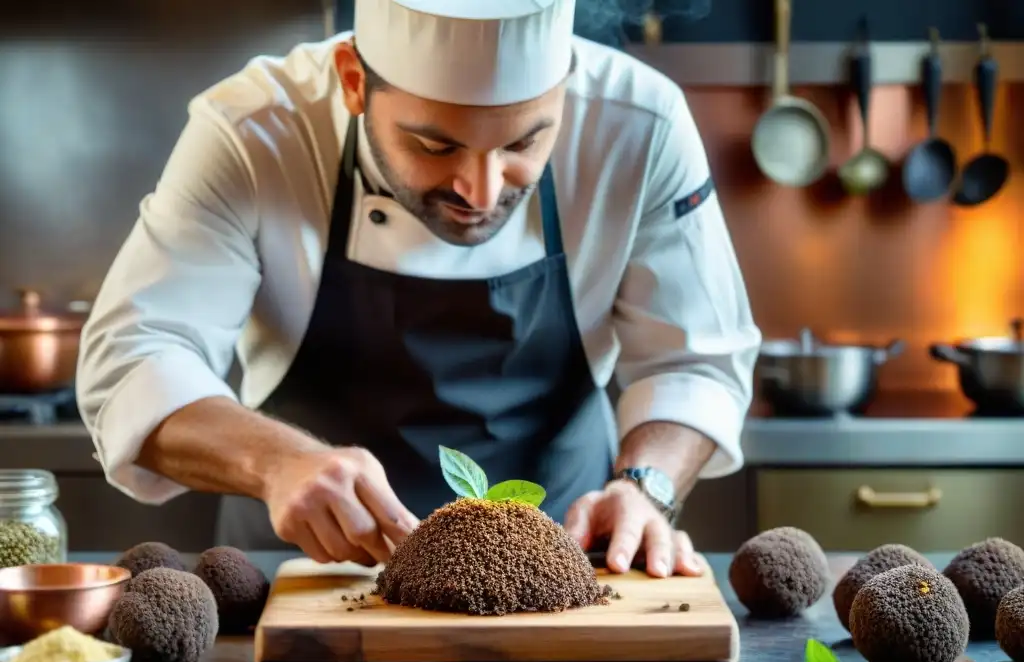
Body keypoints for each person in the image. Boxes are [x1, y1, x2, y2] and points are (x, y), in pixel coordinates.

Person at [75, 0, 761, 579]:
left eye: (526, 142)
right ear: (352, 80)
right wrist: (277, 461)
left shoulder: (641, 125)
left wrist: (645, 488)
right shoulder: (256, 131)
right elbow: (134, 359)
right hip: (304, 582)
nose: (482, 191)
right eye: (435, 146)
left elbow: (694, 359)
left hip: (562, 577)